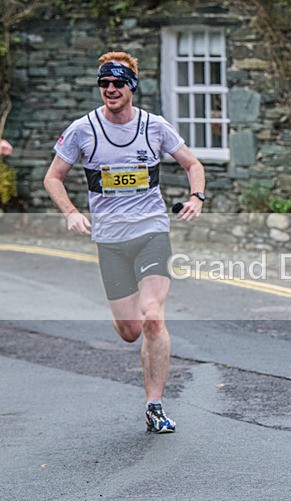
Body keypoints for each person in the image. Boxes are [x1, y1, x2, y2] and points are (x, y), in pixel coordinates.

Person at [43, 52, 206, 433]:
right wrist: (70, 212)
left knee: (153, 317)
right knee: (131, 329)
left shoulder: (154, 126)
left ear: (131, 86)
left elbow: (193, 164)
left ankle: (155, 405)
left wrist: (196, 197)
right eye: (104, 84)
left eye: (117, 83)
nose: (110, 90)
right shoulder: (83, 130)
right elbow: (53, 177)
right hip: (111, 242)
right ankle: (125, 315)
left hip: (151, 233)